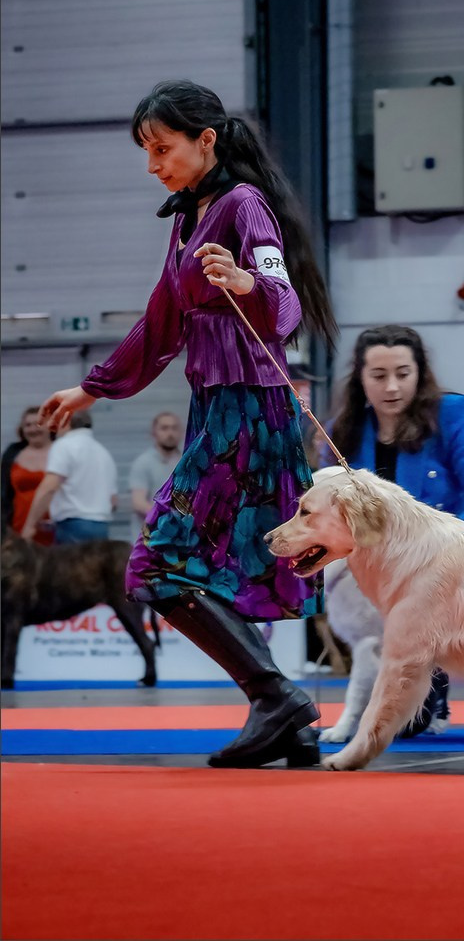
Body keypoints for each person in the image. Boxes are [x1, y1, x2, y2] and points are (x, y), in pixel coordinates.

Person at [36, 79, 339, 769]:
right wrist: (93, 388)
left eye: (162, 148)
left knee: (156, 563)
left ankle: (277, 698)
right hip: (219, 408)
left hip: (249, 411)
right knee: (203, 570)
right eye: (147, 151)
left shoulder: (242, 204)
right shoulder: (188, 216)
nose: (153, 164)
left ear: (206, 140)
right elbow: (162, 321)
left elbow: (283, 301)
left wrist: (245, 286)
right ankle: (284, 713)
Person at [322, 324, 464, 734]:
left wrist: (440, 549)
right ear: (360, 378)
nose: (392, 387)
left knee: (411, 722)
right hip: (378, 585)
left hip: (449, 574)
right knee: (405, 722)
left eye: (403, 374)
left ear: (419, 373)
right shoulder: (339, 434)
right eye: (378, 376)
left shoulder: (452, 413)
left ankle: (433, 682)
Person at [21, 410, 118, 544]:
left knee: (67, 565)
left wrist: (30, 525)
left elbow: (49, 488)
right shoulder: (103, 453)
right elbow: (113, 501)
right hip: (101, 528)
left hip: (73, 529)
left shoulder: (63, 446)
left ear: (65, 423)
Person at [1, 406, 55, 545]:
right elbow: (4, 494)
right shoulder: (12, 454)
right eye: (27, 425)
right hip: (19, 527)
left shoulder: (63, 451)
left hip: (56, 528)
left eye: (38, 424)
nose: (33, 429)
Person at [129, 411, 183, 539]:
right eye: (164, 428)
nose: (170, 433)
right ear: (154, 433)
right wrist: (168, 517)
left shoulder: (186, 462)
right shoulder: (143, 463)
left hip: (178, 540)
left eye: (174, 428)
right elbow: (138, 502)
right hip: (150, 539)